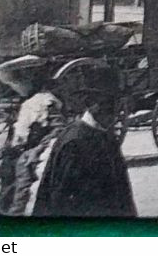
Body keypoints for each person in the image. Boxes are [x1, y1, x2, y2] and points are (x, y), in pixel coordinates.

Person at [29, 63, 136, 217]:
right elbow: (61, 200)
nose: (114, 113)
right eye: (106, 105)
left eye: (116, 105)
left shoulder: (108, 138)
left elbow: (123, 193)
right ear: (90, 104)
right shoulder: (74, 143)